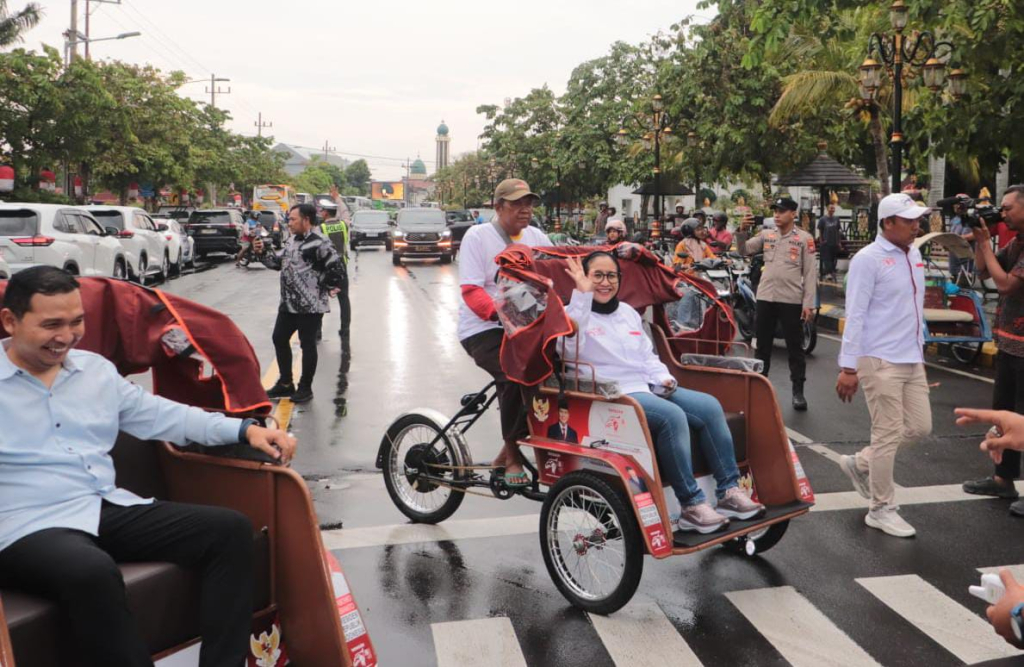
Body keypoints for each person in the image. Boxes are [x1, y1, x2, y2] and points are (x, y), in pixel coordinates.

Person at [0, 266, 297, 667]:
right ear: (10, 321)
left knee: (230, 530)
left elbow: (162, 415)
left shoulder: (95, 371)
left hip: (99, 505)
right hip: (24, 525)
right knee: (91, 570)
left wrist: (244, 431)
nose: (66, 336)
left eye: (76, 322)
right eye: (51, 324)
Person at [562, 251, 765, 533]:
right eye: (597, 275)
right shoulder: (573, 314)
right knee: (672, 417)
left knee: (709, 406)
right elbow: (567, 349)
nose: (605, 282)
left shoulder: (628, 314)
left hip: (646, 387)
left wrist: (664, 379)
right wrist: (582, 298)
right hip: (609, 393)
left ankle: (728, 491)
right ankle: (692, 505)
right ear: (584, 278)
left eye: (611, 276)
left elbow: (648, 357)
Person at [835, 192, 933, 537]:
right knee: (887, 434)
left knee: (920, 427)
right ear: (887, 222)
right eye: (909, 221)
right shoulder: (869, 258)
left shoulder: (915, 253)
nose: (915, 226)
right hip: (878, 358)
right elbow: (856, 314)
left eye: (917, 219)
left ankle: (860, 463)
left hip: (910, 356)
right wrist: (849, 368)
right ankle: (880, 508)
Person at [458, 179, 552, 487]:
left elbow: (558, 270)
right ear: (498, 207)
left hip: (528, 328)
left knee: (557, 374)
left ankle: (511, 450)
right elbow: (471, 290)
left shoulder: (537, 236)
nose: (525, 209)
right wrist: (502, 315)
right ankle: (512, 457)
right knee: (514, 373)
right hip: (485, 330)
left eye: (529, 203)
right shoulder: (478, 236)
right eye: (516, 204)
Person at [962, 184, 1024, 517]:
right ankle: (1003, 479)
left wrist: (985, 242)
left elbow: (1005, 284)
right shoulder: (1016, 244)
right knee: (1005, 414)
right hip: (1010, 344)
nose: (1003, 213)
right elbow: (984, 271)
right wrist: (979, 239)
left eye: (1008, 208)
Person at [257, 203, 346, 404]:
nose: (289, 223)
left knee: (307, 344)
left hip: (310, 306)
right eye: (289, 219)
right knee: (279, 338)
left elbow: (337, 270)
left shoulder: (320, 243)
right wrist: (262, 253)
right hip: (288, 304)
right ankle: (286, 384)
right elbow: (278, 264)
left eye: (293, 219)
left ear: (306, 220)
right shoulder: (291, 241)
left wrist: (318, 286)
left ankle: (305, 388)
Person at [738, 197, 817, 411]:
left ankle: (798, 392)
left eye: (782, 211)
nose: (777, 214)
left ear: (793, 213)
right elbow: (743, 250)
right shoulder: (766, 235)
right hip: (765, 297)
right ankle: (759, 388)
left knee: (795, 348)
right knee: (762, 346)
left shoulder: (804, 238)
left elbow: (810, 274)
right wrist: (741, 231)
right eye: (775, 211)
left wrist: (809, 304)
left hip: (790, 300)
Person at [318, 195, 351, 340]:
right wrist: (338, 199)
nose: (320, 213)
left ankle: (317, 331)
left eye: (322, 211)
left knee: (320, 299)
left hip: (325, 268)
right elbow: (345, 213)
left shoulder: (321, 228)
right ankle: (345, 328)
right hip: (341, 267)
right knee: (344, 299)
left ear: (325, 213)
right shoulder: (343, 225)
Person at [947, 197, 976, 285]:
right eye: (955, 203)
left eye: (959, 203)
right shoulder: (954, 219)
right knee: (954, 277)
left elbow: (975, 235)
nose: (956, 206)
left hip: (965, 252)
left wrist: (960, 238)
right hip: (953, 253)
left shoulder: (972, 218)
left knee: (964, 279)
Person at [816, 203, 843, 280]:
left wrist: (839, 242)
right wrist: (821, 240)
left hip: (834, 242)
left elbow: (838, 231)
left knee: (833, 258)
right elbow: (820, 230)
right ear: (827, 209)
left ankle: (832, 272)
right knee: (827, 259)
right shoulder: (822, 219)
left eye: (833, 208)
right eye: (831, 208)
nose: (832, 210)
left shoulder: (836, 219)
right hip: (826, 242)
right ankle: (829, 273)